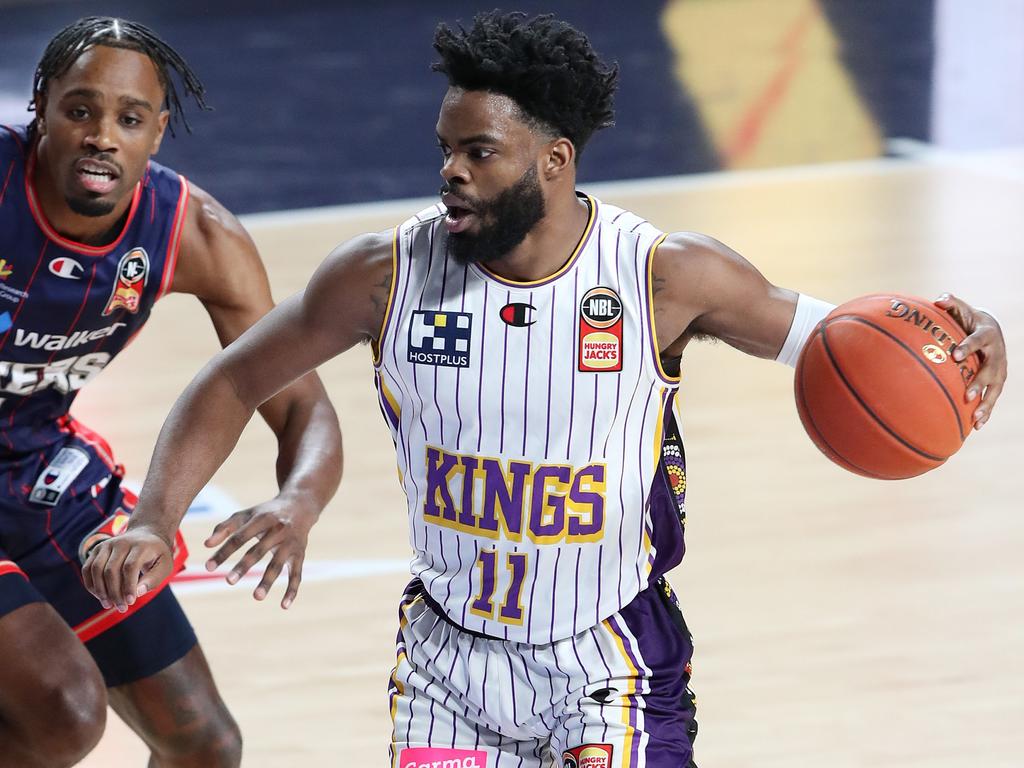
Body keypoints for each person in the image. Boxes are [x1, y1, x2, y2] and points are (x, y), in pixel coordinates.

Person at [83, 11, 1007, 767]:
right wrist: (158, 517)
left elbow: (854, 343)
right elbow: (232, 377)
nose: (450, 169)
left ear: (554, 161)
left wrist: (963, 352)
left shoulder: (663, 276)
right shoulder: (382, 273)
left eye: (479, 152)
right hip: (448, 659)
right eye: (446, 148)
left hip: (607, 659)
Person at [0, 16, 342, 768]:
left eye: (128, 119)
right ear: (41, 109)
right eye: (80, 110)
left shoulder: (196, 234)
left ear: (157, 134)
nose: (101, 135)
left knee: (203, 744)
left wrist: (299, 500)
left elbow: (303, 406)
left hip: (31, 468)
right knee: (63, 714)